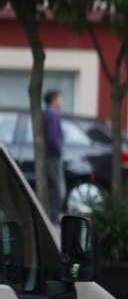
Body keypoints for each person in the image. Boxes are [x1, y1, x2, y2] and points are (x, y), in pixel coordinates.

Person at [43, 89, 65, 223]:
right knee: (56, 186)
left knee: (55, 185)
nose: (61, 101)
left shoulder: (50, 113)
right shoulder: (51, 114)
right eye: (60, 98)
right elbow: (52, 137)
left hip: (52, 154)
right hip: (53, 155)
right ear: (54, 99)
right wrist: (59, 149)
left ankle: (54, 214)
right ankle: (54, 216)